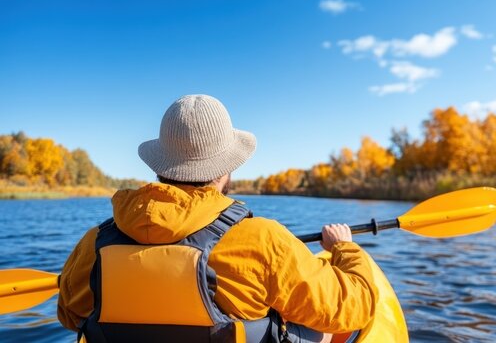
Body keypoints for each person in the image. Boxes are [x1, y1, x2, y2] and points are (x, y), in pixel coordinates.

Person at [57, 94, 378, 342]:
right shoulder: (263, 240)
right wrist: (345, 249)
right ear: (226, 168)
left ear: (160, 166)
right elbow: (355, 306)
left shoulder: (94, 243)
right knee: (313, 325)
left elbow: (70, 315)